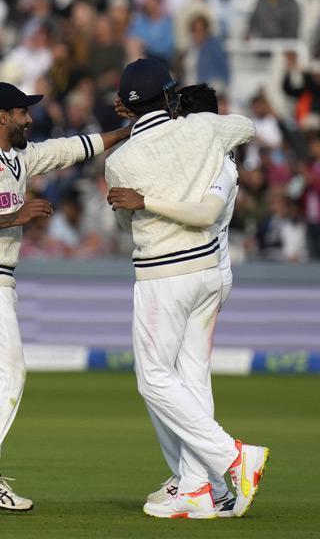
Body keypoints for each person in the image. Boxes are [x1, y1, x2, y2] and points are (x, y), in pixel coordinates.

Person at [0, 82, 130, 515]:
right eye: (22, 112)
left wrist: (126, 131)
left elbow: (69, 149)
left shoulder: (18, 156)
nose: (29, 119)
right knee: (10, 373)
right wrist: (14, 216)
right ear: (2, 117)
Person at [105, 59, 268, 520]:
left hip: (163, 274)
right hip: (207, 271)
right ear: (169, 96)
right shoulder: (203, 130)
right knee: (191, 378)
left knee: (154, 378)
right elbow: (248, 127)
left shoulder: (120, 160)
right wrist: (197, 122)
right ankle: (198, 489)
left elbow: (124, 221)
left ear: (127, 106)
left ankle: (233, 458)